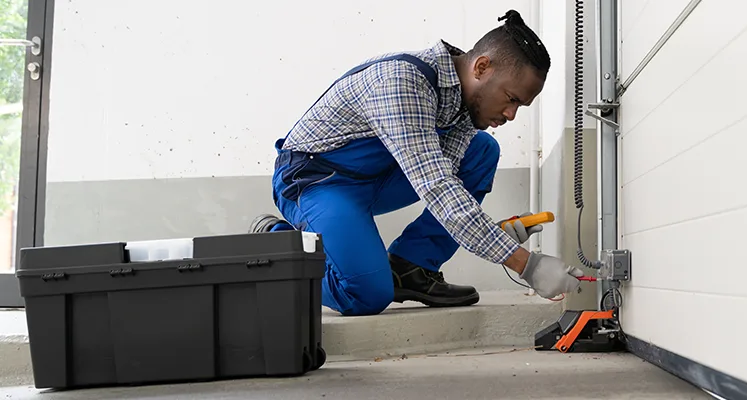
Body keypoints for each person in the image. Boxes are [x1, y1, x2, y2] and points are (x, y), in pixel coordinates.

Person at [249, 10, 584, 316]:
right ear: (482, 67)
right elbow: (438, 189)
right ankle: (277, 243)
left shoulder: (465, 104)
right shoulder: (402, 82)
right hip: (317, 182)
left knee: (481, 150)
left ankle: (411, 267)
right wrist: (528, 265)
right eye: (511, 100)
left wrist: (496, 235)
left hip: (377, 178)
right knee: (365, 294)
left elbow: (448, 183)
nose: (511, 115)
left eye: (520, 107)